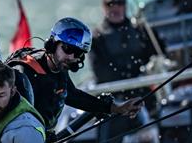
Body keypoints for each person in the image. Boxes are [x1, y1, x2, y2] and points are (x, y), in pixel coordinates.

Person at [8, 17, 141, 133]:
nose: (71, 56)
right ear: (52, 44)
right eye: (68, 49)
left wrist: (116, 108)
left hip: (40, 138)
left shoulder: (59, 67)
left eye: (77, 53)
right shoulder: (24, 71)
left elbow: (72, 95)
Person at [89, 0, 160, 88]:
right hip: (115, 91)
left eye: (119, 2)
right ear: (104, 7)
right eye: (110, 3)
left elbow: (155, 57)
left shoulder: (141, 30)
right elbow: (101, 73)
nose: (115, 7)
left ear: (125, 5)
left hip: (142, 87)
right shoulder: (96, 37)